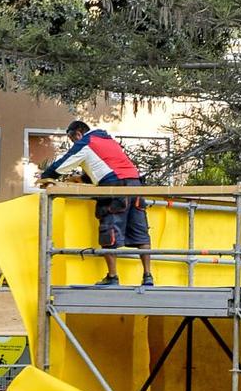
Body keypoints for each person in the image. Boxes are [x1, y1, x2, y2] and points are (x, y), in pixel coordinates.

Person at [39, 119, 155, 288]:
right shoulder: (107, 140)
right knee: (140, 231)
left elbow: (61, 165)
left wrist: (45, 176)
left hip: (114, 187)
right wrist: (83, 178)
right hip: (135, 184)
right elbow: (106, 165)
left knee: (109, 228)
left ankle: (113, 277)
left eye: (73, 140)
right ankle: (148, 276)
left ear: (78, 134)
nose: (74, 144)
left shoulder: (86, 142)